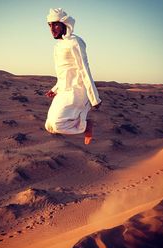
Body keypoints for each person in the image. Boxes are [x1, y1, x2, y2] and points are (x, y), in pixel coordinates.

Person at [45, 8, 102, 145]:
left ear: (65, 24)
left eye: (56, 24)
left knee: (58, 124)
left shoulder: (75, 42)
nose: (52, 29)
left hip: (77, 90)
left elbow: (84, 69)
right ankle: (83, 123)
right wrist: (55, 89)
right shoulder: (57, 46)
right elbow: (64, 73)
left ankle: (85, 125)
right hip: (63, 90)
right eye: (50, 25)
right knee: (49, 126)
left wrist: (94, 98)